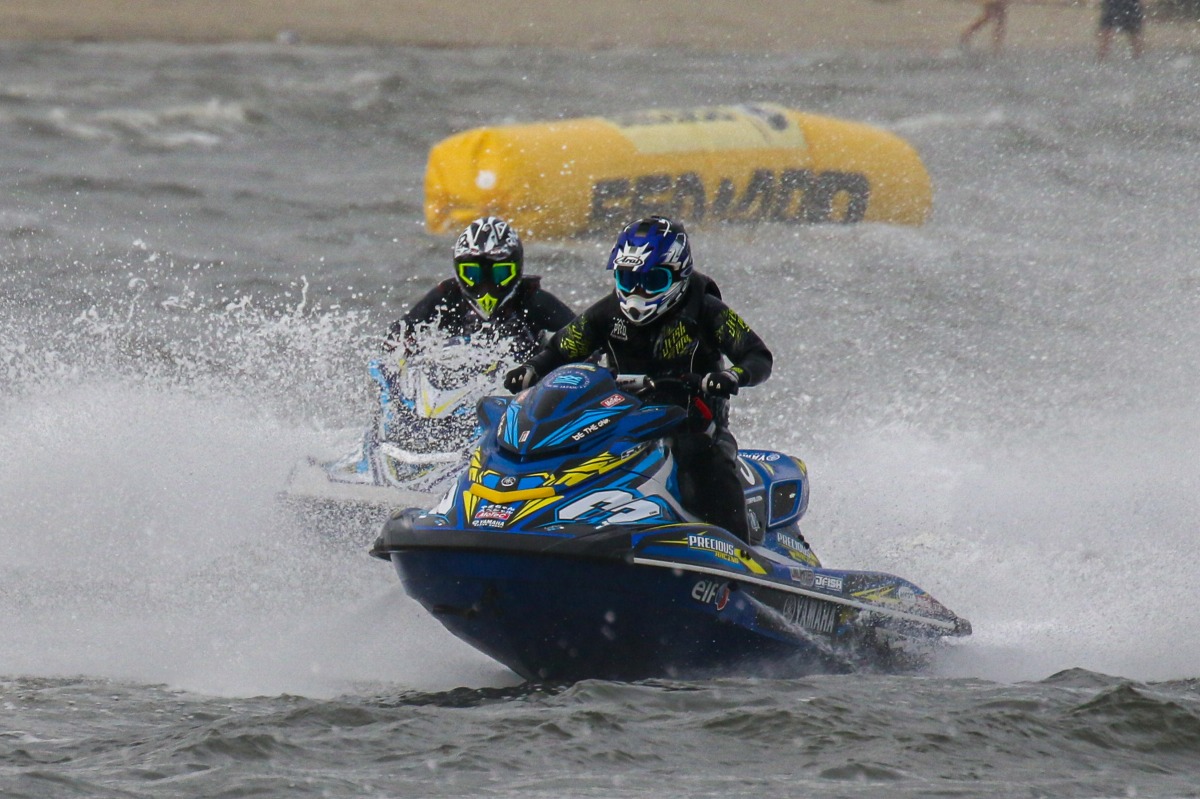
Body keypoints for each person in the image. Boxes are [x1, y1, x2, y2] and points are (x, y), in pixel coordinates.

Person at [503, 216, 773, 543]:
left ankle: (736, 549)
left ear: (679, 275)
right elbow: (561, 350)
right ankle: (538, 522)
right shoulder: (605, 313)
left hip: (693, 423)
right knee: (566, 444)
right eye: (628, 278)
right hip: (621, 418)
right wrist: (531, 370)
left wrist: (731, 376)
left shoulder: (706, 309)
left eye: (652, 280)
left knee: (700, 461)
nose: (637, 291)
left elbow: (757, 356)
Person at [383, 216, 574, 361]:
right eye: (473, 274)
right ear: (459, 272)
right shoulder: (446, 297)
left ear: (518, 269)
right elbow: (395, 339)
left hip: (520, 393)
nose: (486, 286)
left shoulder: (533, 300)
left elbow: (584, 336)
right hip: (449, 392)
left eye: (500, 274)